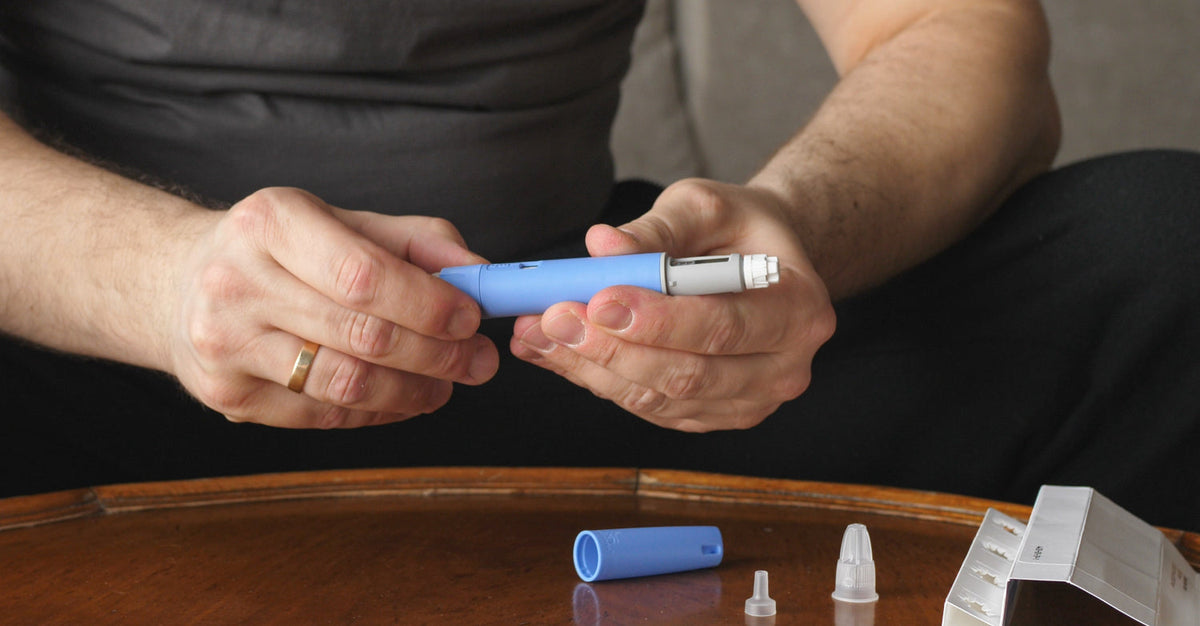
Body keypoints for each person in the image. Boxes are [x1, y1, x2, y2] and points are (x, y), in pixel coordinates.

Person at [1, 1, 1197, 530]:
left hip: (587, 363)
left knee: (1165, 247)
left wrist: (797, 223)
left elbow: (959, 28)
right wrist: (163, 281)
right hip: (100, 366)